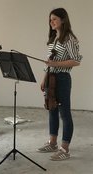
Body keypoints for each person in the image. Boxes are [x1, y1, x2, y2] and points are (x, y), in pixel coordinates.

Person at [37, 8, 82, 161]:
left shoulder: (69, 38)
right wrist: (44, 78)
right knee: (52, 109)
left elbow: (76, 61)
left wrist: (55, 63)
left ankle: (65, 149)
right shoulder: (54, 38)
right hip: (51, 77)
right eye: (50, 20)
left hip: (62, 78)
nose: (51, 22)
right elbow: (50, 62)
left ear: (63, 20)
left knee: (64, 113)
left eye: (54, 19)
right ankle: (53, 142)